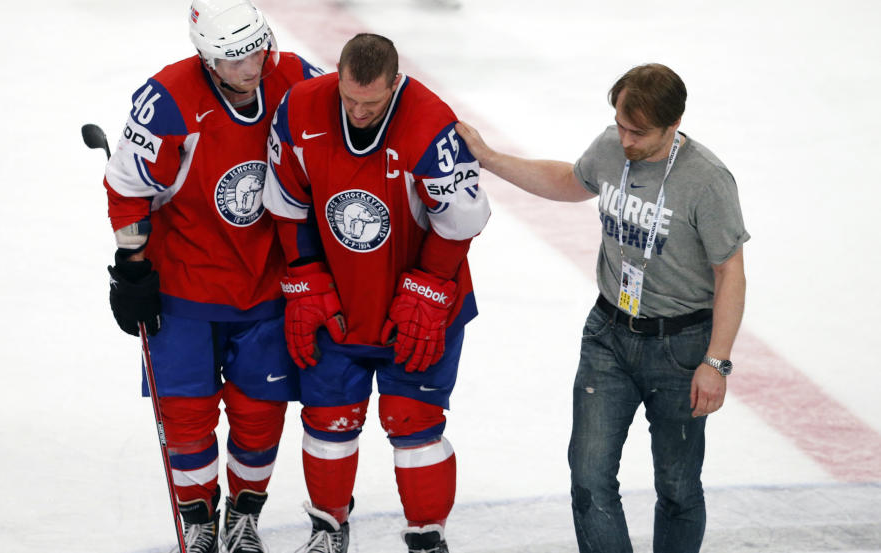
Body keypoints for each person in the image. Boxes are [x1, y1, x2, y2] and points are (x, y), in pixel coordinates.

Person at [455, 63, 748, 553]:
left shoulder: (707, 180)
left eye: (638, 132)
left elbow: (730, 272)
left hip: (681, 347)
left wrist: (715, 362)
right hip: (608, 335)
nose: (625, 139)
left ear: (673, 125)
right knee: (589, 478)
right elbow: (570, 180)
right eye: (620, 125)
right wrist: (488, 157)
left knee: (677, 489)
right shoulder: (612, 147)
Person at [101, 1, 322, 552]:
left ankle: (245, 515)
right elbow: (128, 186)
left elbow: (350, 122)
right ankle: (200, 517)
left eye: (256, 50)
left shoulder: (294, 77)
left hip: (267, 286)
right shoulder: (168, 99)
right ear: (207, 57)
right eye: (234, 58)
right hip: (183, 288)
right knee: (185, 415)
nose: (251, 67)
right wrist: (131, 267)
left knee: (260, 413)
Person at [262, 33, 490, 553]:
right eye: (349, 98)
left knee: (414, 422)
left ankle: (428, 538)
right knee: (327, 417)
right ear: (337, 76)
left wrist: (429, 287)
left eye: (372, 101)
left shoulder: (432, 124)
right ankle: (327, 529)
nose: (358, 111)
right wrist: (306, 274)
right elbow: (287, 202)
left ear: (395, 82)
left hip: (418, 308)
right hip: (337, 300)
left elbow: (460, 222)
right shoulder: (298, 109)